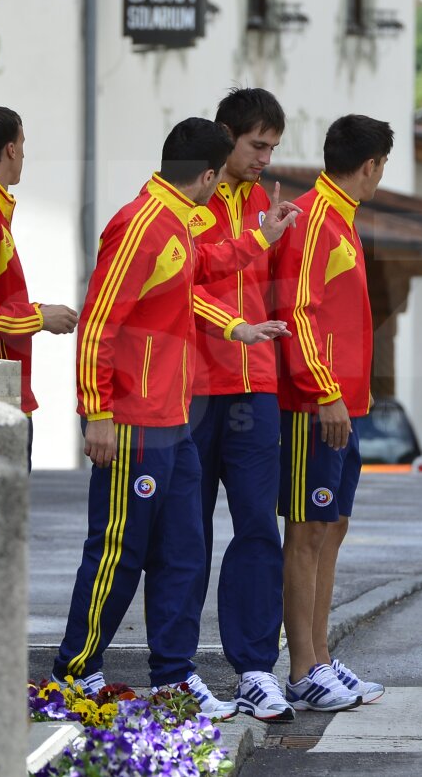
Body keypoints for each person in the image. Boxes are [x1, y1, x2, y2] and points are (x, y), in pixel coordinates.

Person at [51, 117, 300, 718]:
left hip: (173, 418)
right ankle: (72, 674)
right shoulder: (139, 225)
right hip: (133, 420)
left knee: (183, 550)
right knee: (118, 550)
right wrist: (97, 411)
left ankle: (173, 677)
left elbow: (197, 273)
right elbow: (99, 323)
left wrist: (259, 242)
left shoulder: (173, 220)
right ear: (210, 175)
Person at [273, 114, 393, 711]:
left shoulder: (341, 218)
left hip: (343, 406)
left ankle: (320, 655)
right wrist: (325, 392)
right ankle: (301, 669)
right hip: (314, 405)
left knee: (332, 527)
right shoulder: (314, 219)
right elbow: (298, 313)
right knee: (306, 529)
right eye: (380, 168)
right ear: (370, 165)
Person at [188, 88, 294, 722]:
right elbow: (190, 279)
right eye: (257, 145)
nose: (264, 158)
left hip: (255, 386)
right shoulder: (194, 196)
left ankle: (254, 668)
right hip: (196, 389)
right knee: (185, 534)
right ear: (225, 137)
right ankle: (178, 671)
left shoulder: (262, 200)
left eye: (273, 147)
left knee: (258, 527)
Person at [0, 106, 78, 467]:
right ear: (10, 149)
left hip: (0, 389)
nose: (24, 154)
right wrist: (39, 317)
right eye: (22, 143)